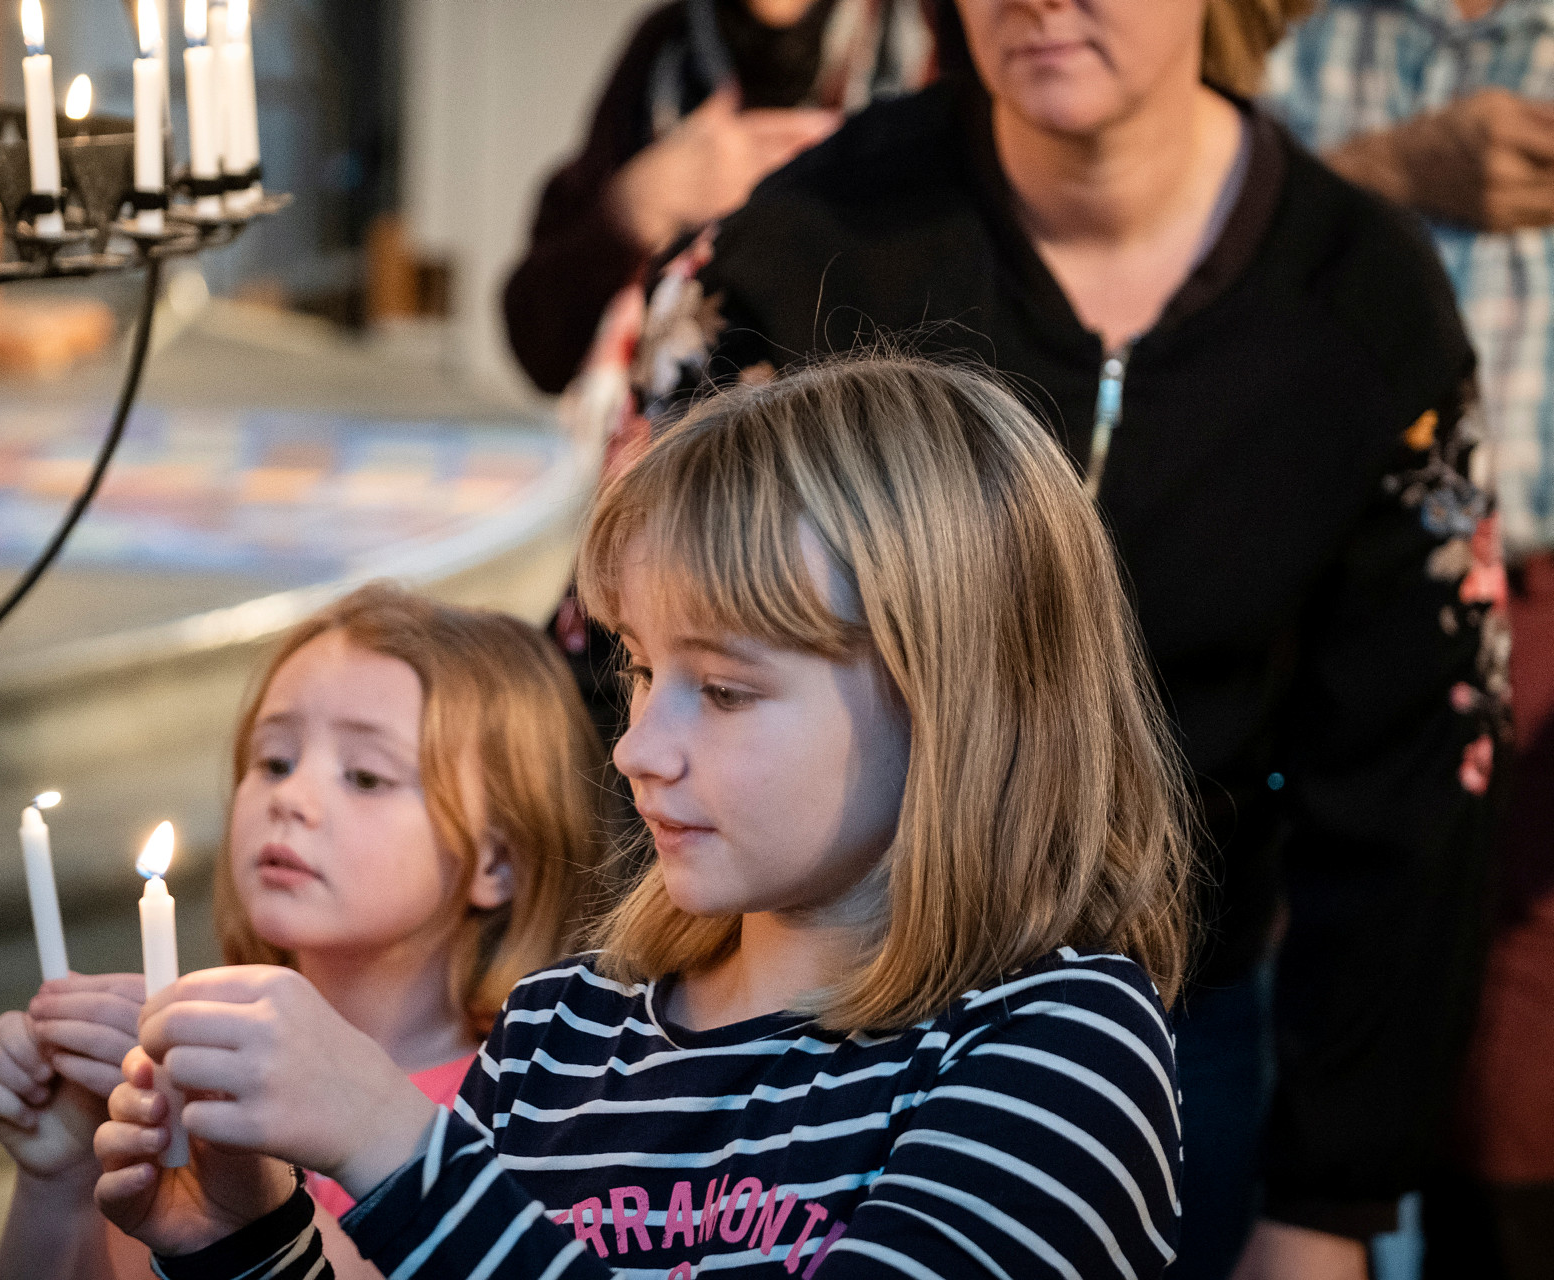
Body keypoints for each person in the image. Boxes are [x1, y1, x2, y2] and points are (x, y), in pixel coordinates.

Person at [612, 2, 1509, 1277]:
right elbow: (636, 647)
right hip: (791, 1002)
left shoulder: (1364, 297)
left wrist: (1331, 1200)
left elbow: (1420, 776)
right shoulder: (797, 243)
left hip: (1184, 1014)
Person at [91, 356, 1195, 1279]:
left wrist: (393, 1144)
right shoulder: (562, 1034)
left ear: (955, 698)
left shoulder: (1057, 1044)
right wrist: (250, 1239)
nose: (635, 748)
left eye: (722, 689)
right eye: (638, 666)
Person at [0, 584, 603, 1279]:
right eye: (273, 761)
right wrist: (57, 1179)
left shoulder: (533, 1105)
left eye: (365, 776)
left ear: (498, 859)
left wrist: (254, 1203)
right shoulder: (181, 1083)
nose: (292, 798)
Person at [1266, 5, 1554, 1271]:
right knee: (1338, 1005)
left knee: (1508, 1070)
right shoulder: (1297, 44)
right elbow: (1197, 254)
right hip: (1330, 601)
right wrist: (1392, 169)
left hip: (1545, 605)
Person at [502, 0, 932, 397]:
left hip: (882, 456)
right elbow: (540, 346)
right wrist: (639, 204)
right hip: (687, 460)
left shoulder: (927, 46)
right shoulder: (665, 54)